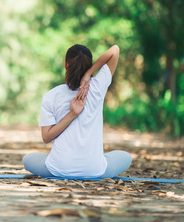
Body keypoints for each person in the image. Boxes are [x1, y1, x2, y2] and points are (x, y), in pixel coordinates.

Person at [22, 44, 132, 178]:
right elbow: (115, 50)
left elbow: (46, 137)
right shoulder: (97, 87)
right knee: (126, 157)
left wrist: (71, 115)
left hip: (59, 168)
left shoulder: (52, 95)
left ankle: (63, 162)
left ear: (65, 65)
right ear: (90, 64)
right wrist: (88, 74)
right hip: (94, 170)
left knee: (27, 159)